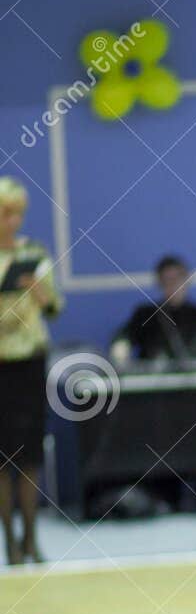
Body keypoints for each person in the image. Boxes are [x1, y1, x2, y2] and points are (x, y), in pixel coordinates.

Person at [0, 177, 62, 566]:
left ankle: (31, 538)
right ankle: (8, 540)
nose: (12, 221)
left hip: (30, 360)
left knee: (29, 453)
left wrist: (37, 290)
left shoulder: (34, 252)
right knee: (2, 456)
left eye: (17, 214)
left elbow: (54, 306)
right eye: (5, 213)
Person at [111, 256, 196, 366]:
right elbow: (123, 338)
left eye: (177, 278)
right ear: (160, 283)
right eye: (167, 280)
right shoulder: (145, 314)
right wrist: (120, 348)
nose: (173, 284)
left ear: (187, 280)